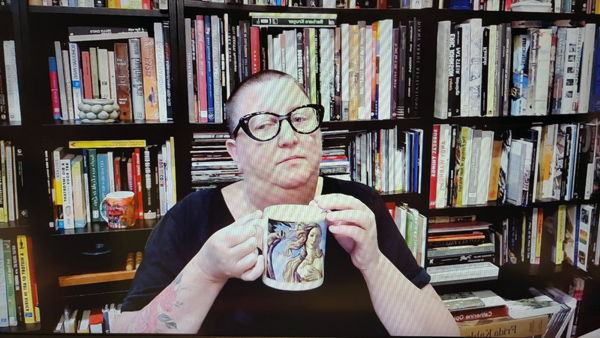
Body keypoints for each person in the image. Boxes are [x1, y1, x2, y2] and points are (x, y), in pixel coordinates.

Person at [114, 70, 460, 336]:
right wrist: (206, 271)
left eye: (301, 118)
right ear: (235, 152)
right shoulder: (191, 218)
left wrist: (372, 263)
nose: (289, 137)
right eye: (264, 125)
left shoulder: (358, 205)